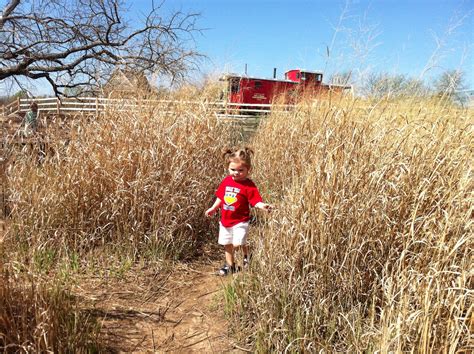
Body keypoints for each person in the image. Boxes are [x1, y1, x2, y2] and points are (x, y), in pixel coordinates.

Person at [205, 147, 272, 276]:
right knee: (227, 244)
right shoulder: (226, 181)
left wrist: (262, 206)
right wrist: (213, 208)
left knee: (238, 243)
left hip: (241, 221)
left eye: (241, 170)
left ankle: (247, 255)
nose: (236, 173)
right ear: (228, 168)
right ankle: (230, 265)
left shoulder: (249, 185)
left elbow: (255, 200)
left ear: (248, 170)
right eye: (233, 170)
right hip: (225, 221)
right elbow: (220, 197)